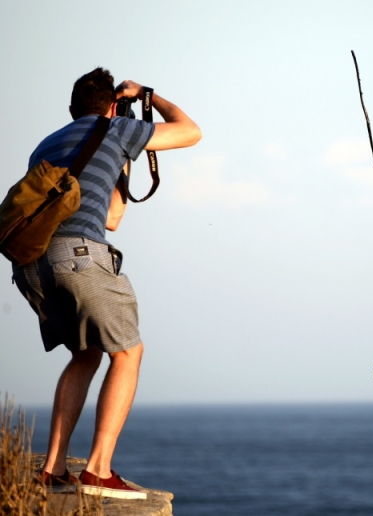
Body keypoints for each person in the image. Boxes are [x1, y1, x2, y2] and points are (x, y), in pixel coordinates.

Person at [11, 68, 201, 499]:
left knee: (86, 353)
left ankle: (53, 469)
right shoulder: (115, 129)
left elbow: (112, 217)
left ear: (72, 109)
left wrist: (122, 162)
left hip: (31, 265)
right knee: (128, 352)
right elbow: (190, 132)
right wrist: (148, 94)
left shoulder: (46, 144)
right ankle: (97, 471)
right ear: (114, 106)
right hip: (78, 255)